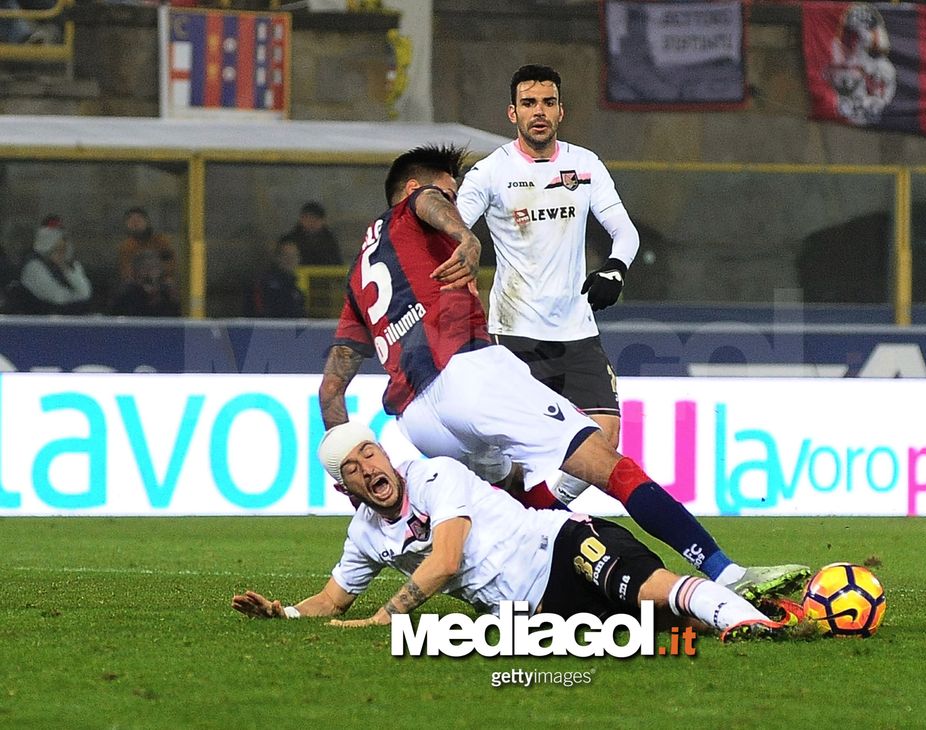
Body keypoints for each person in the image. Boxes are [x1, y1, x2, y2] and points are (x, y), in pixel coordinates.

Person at [318, 143, 807, 599]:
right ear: (412, 190)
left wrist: (351, 481)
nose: (455, 204)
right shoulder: (416, 208)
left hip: (418, 420)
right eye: (450, 194)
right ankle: (726, 574)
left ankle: (594, 586)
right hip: (468, 373)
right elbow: (428, 200)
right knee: (606, 463)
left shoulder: (358, 274)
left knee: (517, 496)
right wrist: (465, 236)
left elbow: (331, 392)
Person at [231, 421, 803, 642]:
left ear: (384, 452)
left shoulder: (433, 476)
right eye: (353, 469)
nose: (368, 468)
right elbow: (333, 599)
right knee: (672, 630)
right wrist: (286, 614)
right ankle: (786, 618)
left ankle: (750, 617)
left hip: (562, 545)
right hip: (541, 612)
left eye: (369, 453)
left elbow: (445, 559)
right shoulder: (365, 534)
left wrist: (387, 616)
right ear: (344, 489)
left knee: (646, 587)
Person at [455, 64, 638, 508]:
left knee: (606, 437)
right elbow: (453, 228)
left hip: (576, 330)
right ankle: (476, 515)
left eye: (548, 102)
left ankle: (545, 511)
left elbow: (624, 230)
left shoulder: (584, 164)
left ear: (561, 111)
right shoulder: (490, 172)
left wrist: (615, 268)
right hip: (514, 332)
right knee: (505, 449)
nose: (539, 111)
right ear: (512, 113)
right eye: (529, 103)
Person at [15, 216, 93, 315]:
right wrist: (78, 297)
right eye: (57, 248)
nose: (61, 252)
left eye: (63, 248)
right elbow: (57, 297)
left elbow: (85, 292)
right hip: (41, 319)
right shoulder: (33, 266)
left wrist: (65, 268)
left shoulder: (71, 265)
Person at [117, 207, 177, 288]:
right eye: (131, 221)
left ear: (147, 222)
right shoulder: (126, 246)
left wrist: (156, 275)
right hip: (137, 284)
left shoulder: (160, 241)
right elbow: (126, 271)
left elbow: (170, 264)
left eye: (138, 220)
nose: (135, 224)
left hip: (160, 281)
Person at [246, 239, 306, 318]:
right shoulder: (264, 284)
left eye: (294, 256)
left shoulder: (296, 290)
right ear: (277, 258)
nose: (290, 260)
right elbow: (260, 312)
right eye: (286, 255)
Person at [112, 249, 181, 317]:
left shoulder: (167, 292)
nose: (152, 271)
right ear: (137, 271)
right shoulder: (126, 292)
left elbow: (175, 316)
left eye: (156, 267)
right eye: (146, 267)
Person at [279, 200, 342, 266]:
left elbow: (337, 264)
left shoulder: (330, 241)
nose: (311, 223)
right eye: (308, 218)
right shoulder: (289, 240)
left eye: (316, 219)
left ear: (323, 221)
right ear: (301, 219)